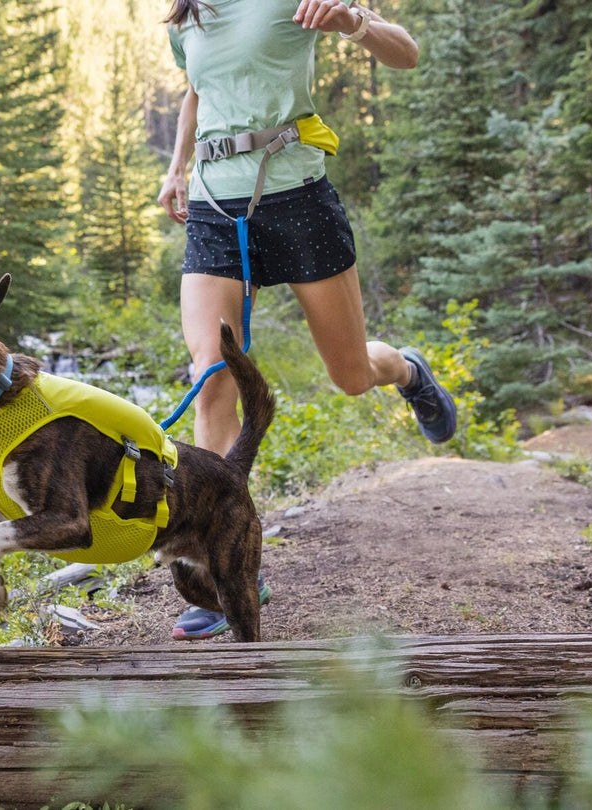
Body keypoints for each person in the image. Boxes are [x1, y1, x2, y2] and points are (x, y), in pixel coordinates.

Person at [158, 0, 458, 640]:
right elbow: (196, 90)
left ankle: (407, 370)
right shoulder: (188, 11)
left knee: (351, 375)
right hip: (214, 207)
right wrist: (176, 167)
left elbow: (406, 52)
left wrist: (353, 22)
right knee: (213, 376)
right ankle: (226, 569)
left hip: (296, 197)